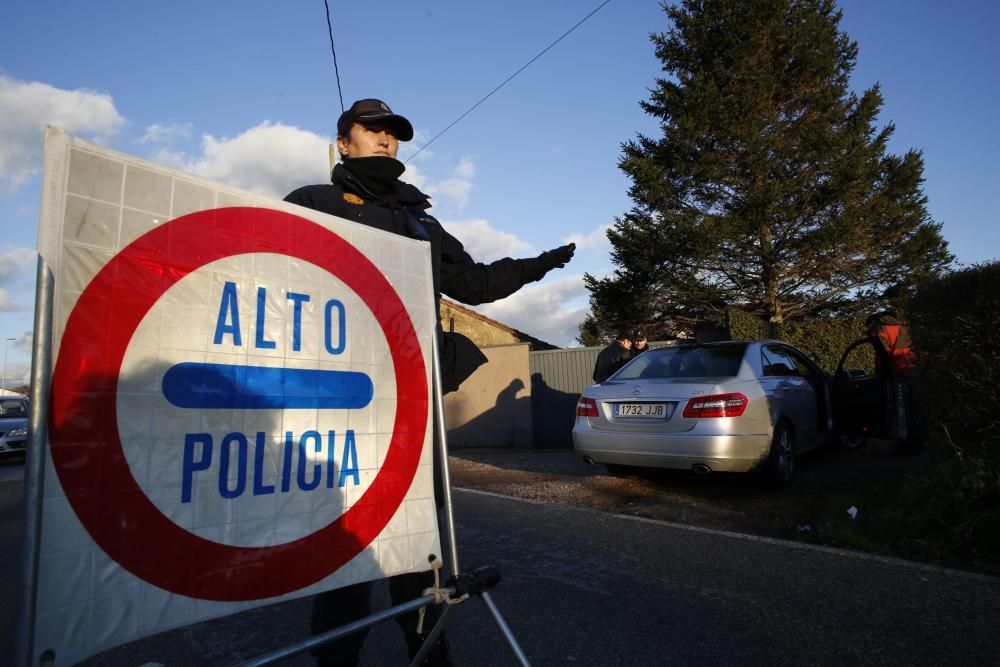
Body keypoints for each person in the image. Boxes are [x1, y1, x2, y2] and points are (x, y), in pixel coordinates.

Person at [284, 98, 574, 666]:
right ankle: (337, 657)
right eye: (372, 130)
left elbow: (474, 283)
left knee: (421, 541)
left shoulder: (420, 219)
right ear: (343, 143)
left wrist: (536, 264)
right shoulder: (311, 203)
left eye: (392, 133)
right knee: (349, 541)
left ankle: (428, 649)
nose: (385, 139)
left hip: (414, 404)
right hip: (343, 399)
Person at [865, 310, 919, 453]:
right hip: (913, 369)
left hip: (895, 372)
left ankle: (903, 442)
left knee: (899, 407)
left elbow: (882, 355)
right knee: (914, 407)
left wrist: (881, 374)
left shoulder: (880, 329)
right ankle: (917, 438)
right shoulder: (905, 325)